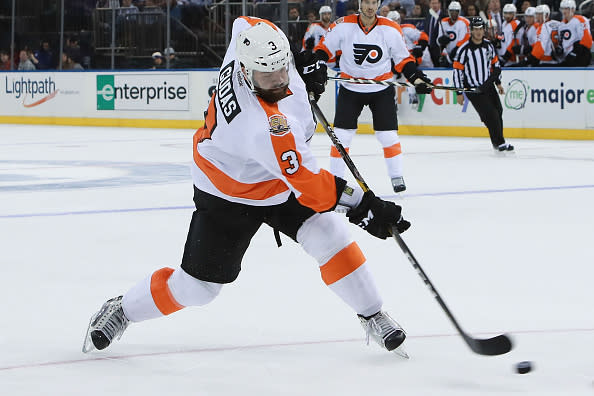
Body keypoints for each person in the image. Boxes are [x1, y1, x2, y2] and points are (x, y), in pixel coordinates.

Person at [82, 16, 412, 357]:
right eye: (267, 75)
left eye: (282, 68)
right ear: (244, 72)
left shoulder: (248, 44)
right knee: (198, 288)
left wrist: (299, 59)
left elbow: (245, 22)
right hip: (227, 193)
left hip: (273, 180)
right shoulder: (261, 126)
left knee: (329, 236)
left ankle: (373, 312)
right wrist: (365, 206)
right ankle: (122, 309)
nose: (279, 80)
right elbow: (313, 187)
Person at [311, 0, 433, 193]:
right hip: (350, 87)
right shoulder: (343, 25)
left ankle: (396, 175)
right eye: (366, 2)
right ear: (360, 3)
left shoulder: (390, 28)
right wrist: (315, 67)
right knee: (341, 137)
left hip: (381, 89)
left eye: (374, 2)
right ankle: (336, 181)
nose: (370, 6)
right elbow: (324, 50)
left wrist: (416, 77)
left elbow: (403, 59)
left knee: (387, 136)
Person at [453, 17, 514, 152]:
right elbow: (457, 71)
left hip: (488, 86)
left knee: (498, 111)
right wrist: (458, 92)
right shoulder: (464, 50)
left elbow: (495, 65)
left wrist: (498, 83)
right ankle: (500, 143)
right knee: (491, 114)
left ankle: (497, 142)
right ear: (471, 31)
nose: (478, 32)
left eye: (480, 29)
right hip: (474, 89)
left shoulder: (488, 46)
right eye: (475, 29)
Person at [557, 0, 592, 67]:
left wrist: (575, 53)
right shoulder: (561, 24)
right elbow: (562, 42)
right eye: (562, 9)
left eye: (566, 8)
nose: (564, 11)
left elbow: (587, 41)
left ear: (573, 9)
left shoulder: (580, 20)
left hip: (579, 56)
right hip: (567, 58)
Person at [436, 1, 470, 67]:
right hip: (447, 53)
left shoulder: (464, 22)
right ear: (448, 11)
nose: (454, 13)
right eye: (452, 11)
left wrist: (454, 53)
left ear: (459, 12)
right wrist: (441, 40)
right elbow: (438, 41)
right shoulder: (443, 22)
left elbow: (463, 41)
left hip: (461, 53)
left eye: (456, 11)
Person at [424, 0, 444, 66]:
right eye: (432, 3)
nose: (434, 5)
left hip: (439, 48)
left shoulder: (444, 16)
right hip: (428, 47)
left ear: (439, 4)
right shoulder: (428, 15)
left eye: (436, 3)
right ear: (430, 5)